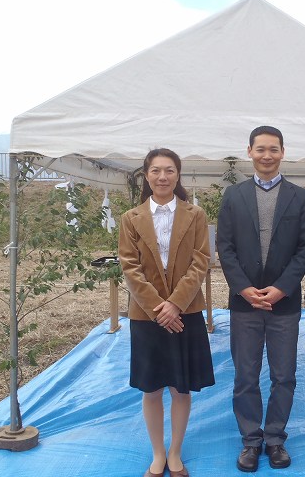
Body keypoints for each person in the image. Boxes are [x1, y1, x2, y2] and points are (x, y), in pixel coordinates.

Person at [217, 126, 305, 472]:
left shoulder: (300, 197)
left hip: (283, 303)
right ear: (249, 152)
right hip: (244, 303)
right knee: (245, 376)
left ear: (283, 153)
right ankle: (250, 440)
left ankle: (275, 439)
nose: (267, 155)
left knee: (283, 375)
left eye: (273, 149)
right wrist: (243, 288)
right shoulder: (233, 195)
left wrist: (283, 287)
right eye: (260, 149)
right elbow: (225, 246)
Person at [118, 148, 214, 477]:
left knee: (180, 387)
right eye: (156, 171)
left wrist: (176, 304)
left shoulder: (195, 215)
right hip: (147, 316)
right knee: (152, 388)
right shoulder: (131, 218)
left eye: (169, 170)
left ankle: (175, 452)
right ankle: (158, 453)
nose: (163, 177)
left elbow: (201, 261)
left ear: (178, 175)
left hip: (185, 313)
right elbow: (130, 267)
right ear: (146, 176)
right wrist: (160, 308)